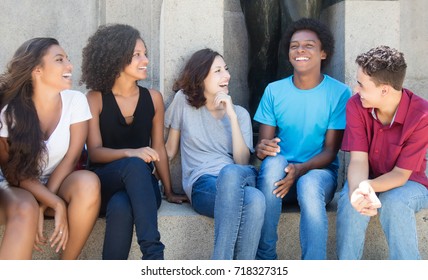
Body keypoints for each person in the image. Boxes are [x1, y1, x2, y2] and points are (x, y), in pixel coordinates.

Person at [80, 24, 186, 260]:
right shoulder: (95, 98)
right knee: (135, 165)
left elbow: (158, 147)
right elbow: (95, 153)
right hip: (105, 180)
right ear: (116, 58)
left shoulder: (153, 98)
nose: (145, 60)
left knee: (121, 205)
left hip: (142, 188)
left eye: (145, 53)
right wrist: (132, 153)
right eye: (136, 55)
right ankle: (154, 255)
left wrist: (168, 190)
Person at [254, 18, 351, 260]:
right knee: (273, 163)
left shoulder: (339, 93)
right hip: (279, 179)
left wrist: (301, 169)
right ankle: (266, 258)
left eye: (309, 45)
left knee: (309, 184)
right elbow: (265, 149)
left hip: (318, 176)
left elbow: (331, 151)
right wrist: (262, 148)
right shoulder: (274, 91)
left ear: (323, 52)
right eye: (294, 46)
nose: (300, 51)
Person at [0, 37, 101, 259]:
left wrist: (45, 203)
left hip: (58, 178)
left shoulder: (76, 101)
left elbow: (71, 158)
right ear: (37, 70)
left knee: (88, 183)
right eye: (59, 60)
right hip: (16, 183)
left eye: (67, 59)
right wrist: (54, 203)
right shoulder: (9, 112)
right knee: (26, 208)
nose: (69, 65)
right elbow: (13, 172)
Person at [165, 48, 266, 259]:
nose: (227, 75)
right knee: (255, 199)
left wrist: (232, 117)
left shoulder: (240, 114)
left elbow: (241, 162)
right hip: (202, 183)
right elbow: (170, 150)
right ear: (201, 77)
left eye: (226, 69)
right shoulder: (183, 101)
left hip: (236, 178)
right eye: (218, 71)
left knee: (230, 172)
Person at [336, 46, 428, 260]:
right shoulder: (356, 105)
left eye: (361, 84)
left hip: (409, 184)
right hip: (366, 177)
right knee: (350, 203)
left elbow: (400, 175)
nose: (355, 89)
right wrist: (358, 192)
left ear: (384, 90)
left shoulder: (422, 115)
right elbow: (358, 161)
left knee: (394, 202)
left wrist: (368, 186)